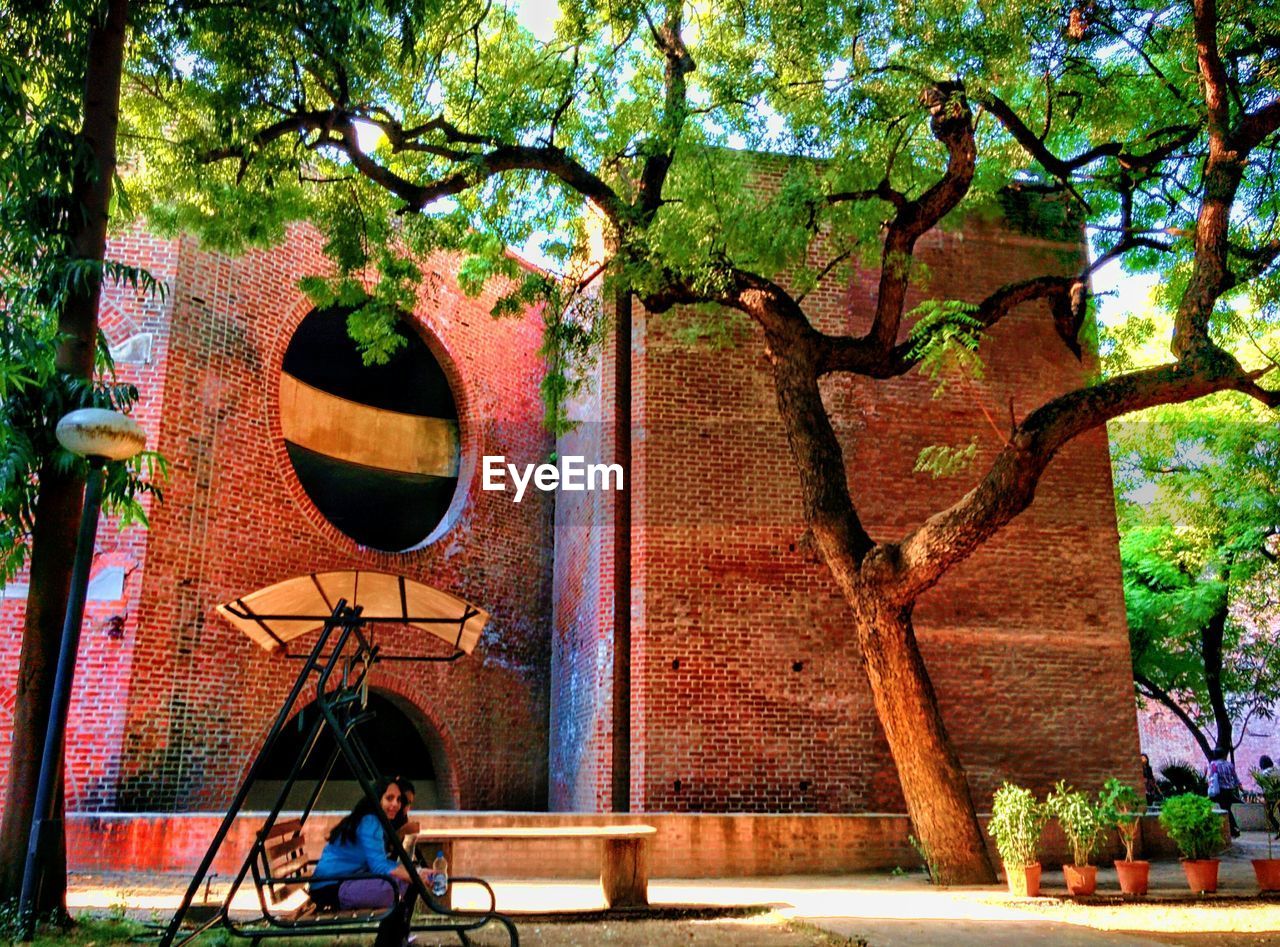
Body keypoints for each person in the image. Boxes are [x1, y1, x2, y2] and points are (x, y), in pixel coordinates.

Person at [310, 778, 421, 945]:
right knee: (398, 886)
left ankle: (395, 940)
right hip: (330, 887)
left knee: (403, 882)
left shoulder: (372, 819)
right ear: (377, 798)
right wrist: (415, 874)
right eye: (389, 798)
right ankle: (391, 942)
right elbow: (379, 866)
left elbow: (379, 861)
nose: (396, 805)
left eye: (399, 800)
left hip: (340, 881)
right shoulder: (370, 821)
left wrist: (414, 873)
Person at [1207, 746, 1242, 838]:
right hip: (1229, 790)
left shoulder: (1213, 764)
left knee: (1222, 808)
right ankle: (1233, 830)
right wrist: (1239, 786)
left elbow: (1211, 778)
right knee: (1226, 808)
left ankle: (1234, 829)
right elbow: (1235, 778)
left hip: (1219, 790)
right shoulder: (1230, 765)